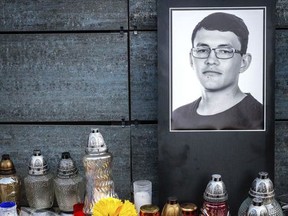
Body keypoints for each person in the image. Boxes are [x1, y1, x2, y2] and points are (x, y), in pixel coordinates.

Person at [171, 12, 263, 130]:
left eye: (224, 51)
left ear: (244, 62)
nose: (211, 60)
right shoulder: (177, 118)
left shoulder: (260, 119)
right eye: (202, 50)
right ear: (191, 59)